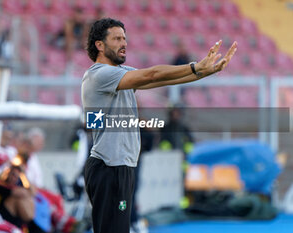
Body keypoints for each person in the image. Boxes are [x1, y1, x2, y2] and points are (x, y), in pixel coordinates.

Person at [81, 18, 237, 233]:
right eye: (117, 38)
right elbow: (152, 74)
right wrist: (195, 66)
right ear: (99, 45)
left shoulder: (118, 75)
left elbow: (158, 80)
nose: (124, 42)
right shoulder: (100, 74)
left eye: (125, 38)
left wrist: (201, 73)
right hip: (109, 166)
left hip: (118, 166)